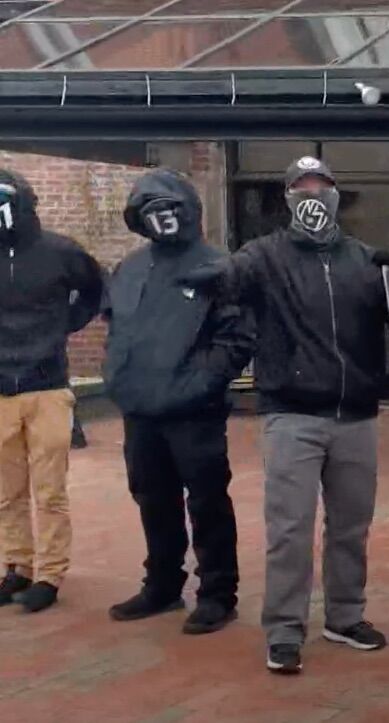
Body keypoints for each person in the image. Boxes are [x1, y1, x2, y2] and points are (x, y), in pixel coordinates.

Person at [180, 157, 389, 674]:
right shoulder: (264, 257)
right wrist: (201, 273)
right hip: (292, 416)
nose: (313, 196)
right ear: (288, 198)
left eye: (322, 187)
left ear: (335, 195)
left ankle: (345, 616)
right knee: (290, 530)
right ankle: (283, 629)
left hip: (357, 416)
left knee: (351, 527)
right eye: (302, 189)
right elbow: (229, 276)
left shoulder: (363, 260)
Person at [103, 169, 254, 634]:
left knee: (207, 501)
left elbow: (238, 337)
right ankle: (163, 585)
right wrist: (119, 378)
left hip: (194, 411)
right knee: (152, 498)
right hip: (141, 410)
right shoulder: (130, 269)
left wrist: (200, 384)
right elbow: (117, 328)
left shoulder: (218, 266)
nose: (163, 219)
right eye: (151, 212)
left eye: (170, 209)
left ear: (187, 212)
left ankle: (217, 594)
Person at [0, 168, 104, 613]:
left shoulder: (60, 252)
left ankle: (50, 574)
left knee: (50, 491)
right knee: (7, 491)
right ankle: (16, 567)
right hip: (1, 390)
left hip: (48, 388)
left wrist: (62, 327)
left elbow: (94, 291)